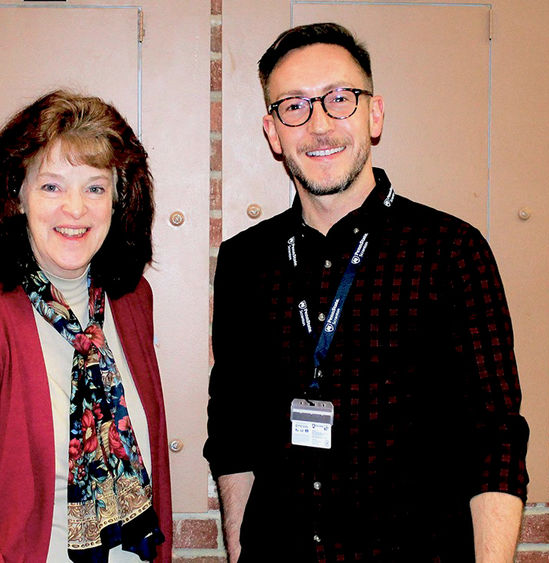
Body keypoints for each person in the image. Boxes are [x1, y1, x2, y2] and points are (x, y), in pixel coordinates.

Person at [203, 23, 530, 562]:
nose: (320, 125)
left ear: (374, 114)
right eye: (295, 106)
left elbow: (494, 433)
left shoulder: (451, 250)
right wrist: (241, 550)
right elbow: (233, 425)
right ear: (272, 131)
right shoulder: (245, 262)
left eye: (339, 99)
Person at [0, 90, 172, 562]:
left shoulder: (132, 301)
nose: (75, 209)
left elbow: (153, 471)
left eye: (94, 188)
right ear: (17, 196)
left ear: (119, 200)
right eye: (52, 186)